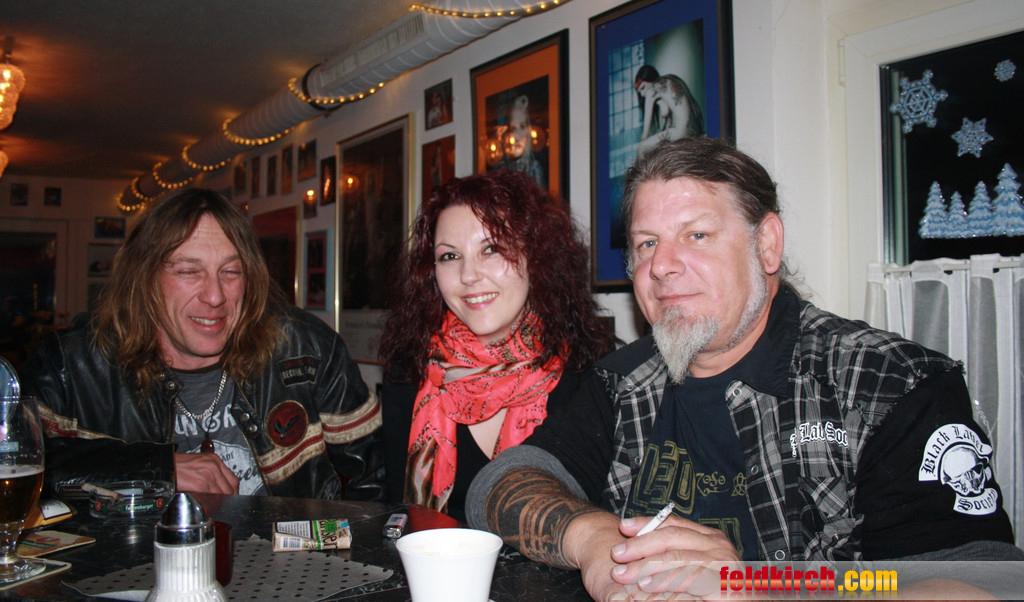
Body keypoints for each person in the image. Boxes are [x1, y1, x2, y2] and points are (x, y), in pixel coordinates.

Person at [466, 137, 1023, 599]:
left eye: (697, 235)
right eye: (646, 243)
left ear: (767, 244)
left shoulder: (890, 383)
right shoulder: (618, 383)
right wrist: (594, 541)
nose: (661, 265)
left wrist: (758, 587)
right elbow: (500, 483)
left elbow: (983, 584)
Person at [22, 188, 384, 500]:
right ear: (144, 277)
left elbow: (376, 482)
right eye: (188, 271)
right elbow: (15, 464)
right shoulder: (71, 363)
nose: (215, 296)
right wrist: (155, 469)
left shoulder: (307, 348)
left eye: (230, 272)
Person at [378, 170, 616, 522]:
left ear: (537, 256)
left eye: (491, 249)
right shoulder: (409, 372)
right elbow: (397, 513)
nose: (469, 275)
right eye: (450, 256)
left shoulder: (591, 376)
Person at [635, 67, 705, 155]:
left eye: (643, 87)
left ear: (649, 80)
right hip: (693, 129)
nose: (642, 94)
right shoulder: (670, 80)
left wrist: (642, 143)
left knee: (641, 148)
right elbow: (667, 113)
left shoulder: (652, 90)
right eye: (639, 92)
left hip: (680, 132)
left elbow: (645, 133)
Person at [495, 94, 546, 189]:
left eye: (522, 127)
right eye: (513, 128)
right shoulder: (501, 170)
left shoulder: (535, 169)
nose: (517, 136)